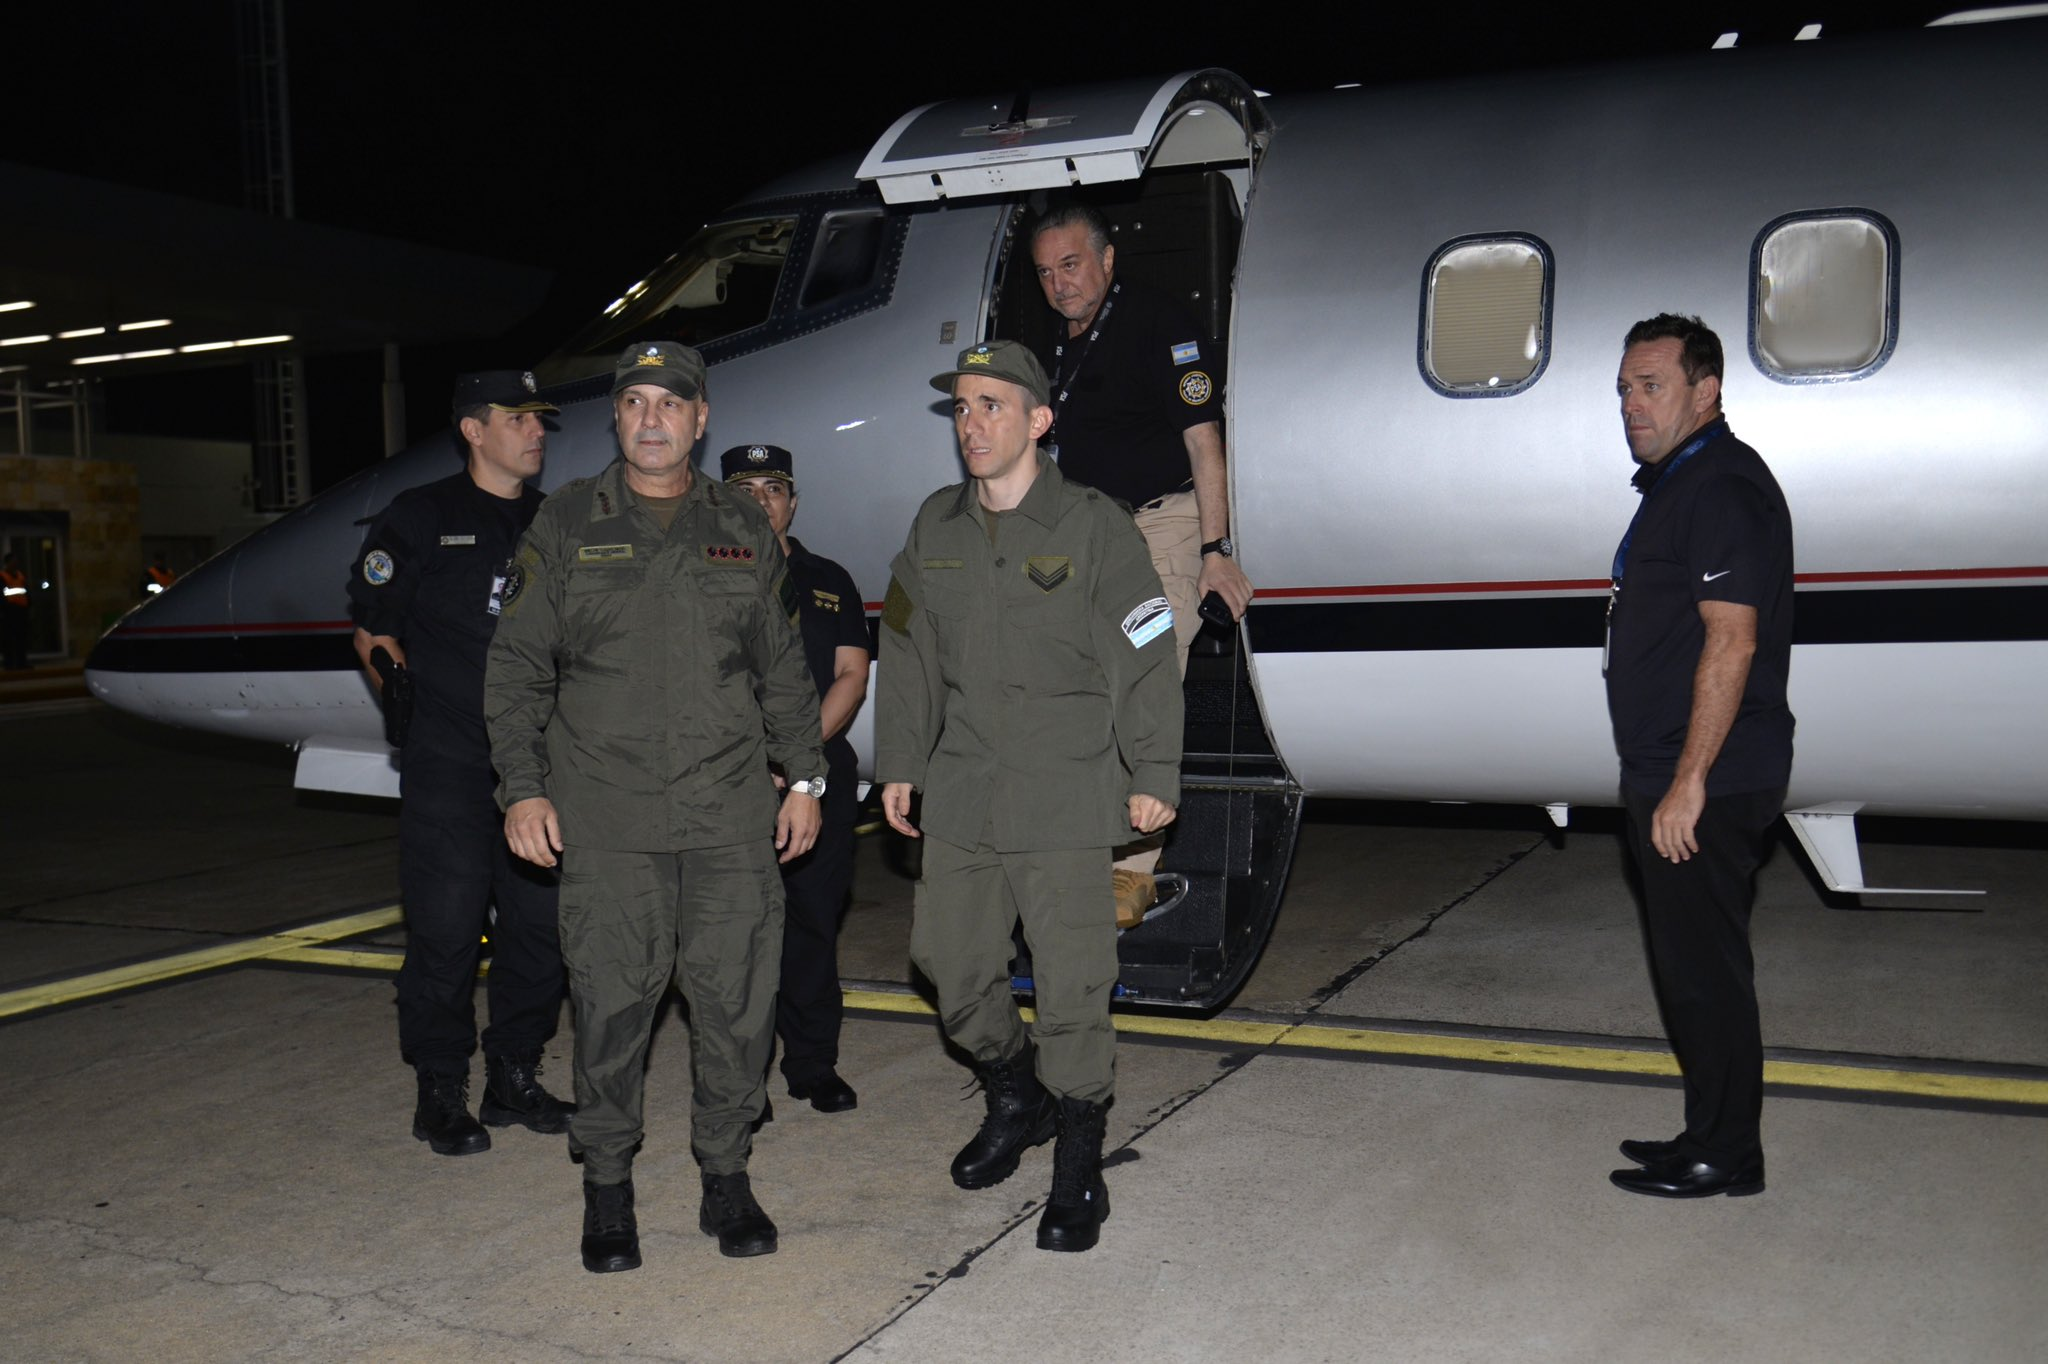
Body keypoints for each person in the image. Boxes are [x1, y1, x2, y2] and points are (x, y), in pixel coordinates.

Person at [485, 341, 826, 1275]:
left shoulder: (741, 529)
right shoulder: (564, 522)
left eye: (669, 403)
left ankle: (725, 1172)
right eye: (634, 401)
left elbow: (784, 671)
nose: (650, 418)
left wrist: (806, 777)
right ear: (617, 418)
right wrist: (522, 788)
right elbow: (516, 669)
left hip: (728, 819)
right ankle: (607, 1186)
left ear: (699, 419)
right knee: (608, 1008)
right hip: (607, 819)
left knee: (738, 1008)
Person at [877, 340, 1183, 1253]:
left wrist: (1154, 773)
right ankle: (1021, 1097)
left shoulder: (1094, 526)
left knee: (1073, 989)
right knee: (951, 969)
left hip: (1065, 788)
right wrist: (901, 761)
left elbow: (1147, 652)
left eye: (992, 406)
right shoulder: (935, 527)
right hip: (965, 788)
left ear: (1039, 421)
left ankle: (1078, 1168)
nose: (972, 424)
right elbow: (908, 654)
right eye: (962, 408)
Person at [347, 370, 575, 1159]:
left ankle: (513, 1077)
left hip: (540, 771)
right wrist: (401, 702)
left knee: (540, 934)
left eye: (540, 421)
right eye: (519, 419)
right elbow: (373, 632)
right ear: (475, 430)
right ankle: (440, 1088)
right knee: (445, 935)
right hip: (450, 762)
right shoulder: (421, 517)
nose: (537, 432)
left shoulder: (559, 523)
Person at [1603, 313, 1794, 1199]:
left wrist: (1688, 784)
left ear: (1705, 391)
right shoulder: (1680, 482)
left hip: (1703, 780)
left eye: (1652, 387)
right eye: (1625, 391)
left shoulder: (1719, 485)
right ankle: (1706, 1133)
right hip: (1671, 772)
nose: (1633, 406)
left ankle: (1729, 1154)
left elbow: (1733, 643)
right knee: (1688, 970)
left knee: (1708, 975)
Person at [1029, 200, 1251, 924]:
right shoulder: (1048, 340)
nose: (1060, 284)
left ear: (1108, 259)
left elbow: (1203, 442)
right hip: (1087, 535)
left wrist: (1216, 553)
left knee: (1149, 675)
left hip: (1165, 524)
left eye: (1072, 265)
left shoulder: (1163, 325)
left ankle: (1132, 866)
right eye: (1046, 273)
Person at [721, 443, 868, 1115]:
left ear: (793, 501)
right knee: (734, 931)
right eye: (744, 490)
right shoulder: (700, 576)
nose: (760, 501)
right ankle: (740, 1073)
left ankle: (812, 1063)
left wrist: (798, 756)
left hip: (817, 775)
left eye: (773, 488)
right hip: (730, 777)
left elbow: (850, 676)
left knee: (811, 919)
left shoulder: (830, 579)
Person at [0, 552, 27, 671]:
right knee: (8, 639)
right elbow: (2, 595)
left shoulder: (20, 576)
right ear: (7, 563)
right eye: (13, 561)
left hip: (20, 611)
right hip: (9, 611)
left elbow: (25, 591)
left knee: (21, 638)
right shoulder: (2, 577)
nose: (16, 564)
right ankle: (9, 664)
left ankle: (22, 662)